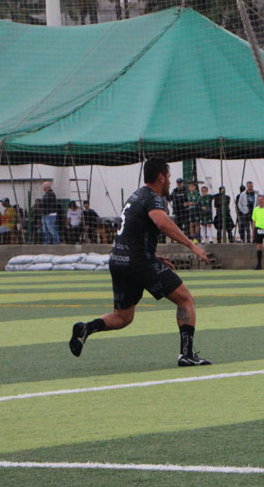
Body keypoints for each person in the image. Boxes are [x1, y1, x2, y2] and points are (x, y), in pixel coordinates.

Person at [68, 157, 211, 367]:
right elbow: (162, 222)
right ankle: (186, 355)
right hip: (138, 263)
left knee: (123, 317)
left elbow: (132, 232)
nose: (170, 181)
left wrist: (154, 256)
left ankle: (86, 328)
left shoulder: (135, 196)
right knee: (185, 300)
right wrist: (192, 245)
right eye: (169, 177)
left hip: (119, 261)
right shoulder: (153, 198)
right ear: (161, 177)